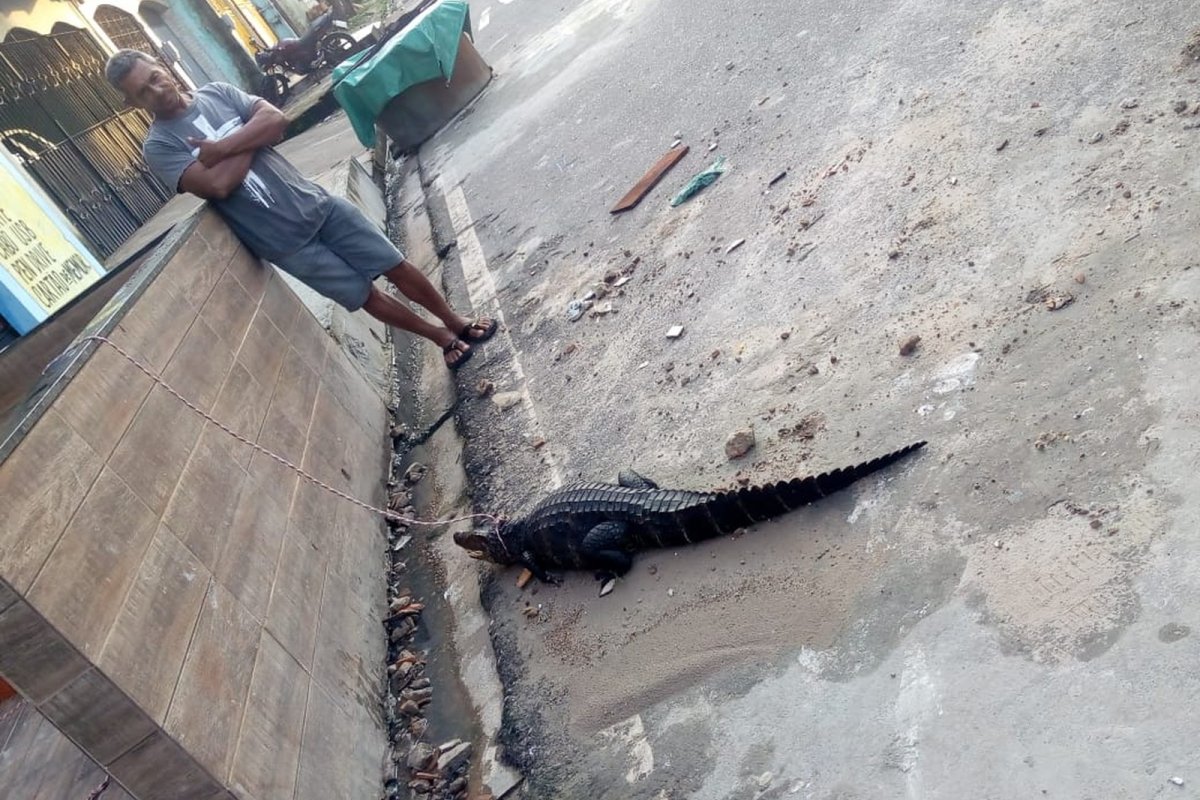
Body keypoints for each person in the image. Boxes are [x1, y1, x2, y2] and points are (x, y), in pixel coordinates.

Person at [104, 49, 495, 369]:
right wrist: (254, 135)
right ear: (130, 102)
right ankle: (439, 337)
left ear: (163, 66)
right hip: (284, 242)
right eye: (142, 91)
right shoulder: (158, 147)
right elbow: (218, 185)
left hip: (315, 203)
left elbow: (277, 119)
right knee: (363, 295)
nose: (156, 90)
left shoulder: (218, 94)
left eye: (155, 77)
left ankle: (453, 320)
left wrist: (223, 148)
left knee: (394, 263)